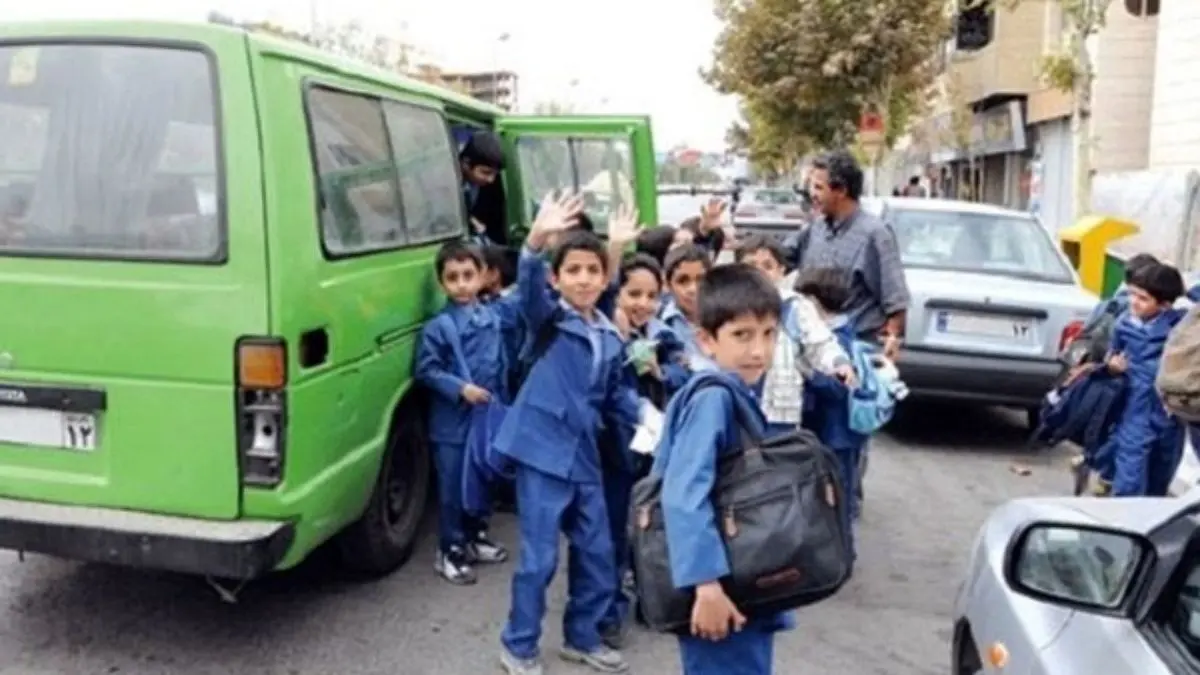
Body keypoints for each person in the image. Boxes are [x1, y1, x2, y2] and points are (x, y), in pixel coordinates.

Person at [495, 194, 645, 675]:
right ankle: (519, 646)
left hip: (583, 456)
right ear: (556, 279)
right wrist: (536, 242)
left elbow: (614, 393)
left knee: (598, 552)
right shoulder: (549, 319)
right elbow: (528, 289)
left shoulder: (608, 333)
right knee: (538, 560)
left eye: (592, 271)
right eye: (573, 270)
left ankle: (581, 637)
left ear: (604, 279)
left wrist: (649, 417)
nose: (583, 278)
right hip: (542, 453)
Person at [654, 263, 793, 675]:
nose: (758, 350)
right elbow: (683, 494)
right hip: (722, 587)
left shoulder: (736, 391)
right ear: (706, 340)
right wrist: (707, 584)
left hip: (738, 578)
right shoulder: (713, 399)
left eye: (768, 334)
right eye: (742, 335)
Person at [793, 150, 911, 506]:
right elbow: (783, 258)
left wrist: (892, 340)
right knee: (813, 434)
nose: (811, 194)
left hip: (854, 350)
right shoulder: (815, 228)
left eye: (818, 187)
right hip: (812, 348)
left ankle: (845, 509)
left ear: (840, 189)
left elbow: (894, 295)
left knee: (846, 441)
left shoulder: (875, 234)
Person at [414, 242, 513, 584]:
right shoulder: (439, 327)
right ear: (441, 283)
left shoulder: (491, 317)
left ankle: (475, 536)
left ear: (482, 276)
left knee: (483, 479)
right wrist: (460, 389)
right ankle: (450, 550)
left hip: (485, 418)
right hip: (452, 424)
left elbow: (500, 364)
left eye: (468, 275)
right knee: (454, 488)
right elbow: (426, 370)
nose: (461, 284)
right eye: (452, 278)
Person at [735, 234, 853, 434]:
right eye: (751, 265)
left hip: (779, 412)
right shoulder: (725, 305)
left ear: (781, 271)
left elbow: (820, 343)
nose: (759, 272)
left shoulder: (795, 307)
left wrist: (838, 362)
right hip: (737, 407)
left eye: (767, 266)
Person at [1100, 262, 1188, 497]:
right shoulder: (1124, 325)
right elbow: (1111, 355)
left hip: (1170, 416)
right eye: (1133, 294)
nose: (1134, 302)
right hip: (1134, 411)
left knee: (1159, 481)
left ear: (1165, 304)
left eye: (1143, 298)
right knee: (1129, 482)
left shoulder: (1181, 328)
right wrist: (1112, 366)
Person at [659, 244, 713, 363]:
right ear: (668, 285)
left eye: (700, 280)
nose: (693, 289)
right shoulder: (659, 325)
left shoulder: (726, 320)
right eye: (683, 281)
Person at [460, 130, 506, 246]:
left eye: (495, 174)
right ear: (466, 164)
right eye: (485, 172)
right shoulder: (447, 186)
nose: (491, 180)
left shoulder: (480, 185)